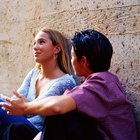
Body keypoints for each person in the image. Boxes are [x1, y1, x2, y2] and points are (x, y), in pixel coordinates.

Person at [0, 29, 137, 140]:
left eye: (73, 56)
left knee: (61, 114)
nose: (35, 47)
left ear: (83, 61)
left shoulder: (101, 84)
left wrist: (26, 108)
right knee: (15, 131)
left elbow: (58, 106)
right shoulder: (100, 83)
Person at [0, 28, 77, 139]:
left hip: (37, 131)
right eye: (34, 43)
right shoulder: (34, 74)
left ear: (56, 49)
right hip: (20, 124)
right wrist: (16, 105)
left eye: (41, 42)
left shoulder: (65, 82)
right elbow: (16, 103)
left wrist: (22, 106)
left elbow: (35, 110)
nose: (35, 47)